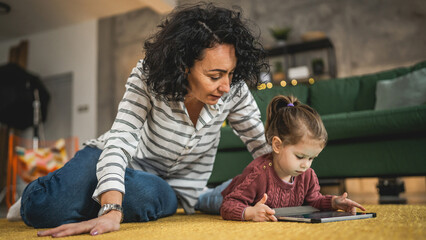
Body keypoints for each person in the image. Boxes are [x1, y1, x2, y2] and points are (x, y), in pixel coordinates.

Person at [7, 3, 271, 237]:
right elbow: (120, 137)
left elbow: (260, 144)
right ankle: (63, 190)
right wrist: (111, 208)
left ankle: (82, 189)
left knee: (145, 194)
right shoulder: (146, 77)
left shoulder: (234, 89)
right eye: (215, 76)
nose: (225, 85)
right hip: (109, 154)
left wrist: (297, 183)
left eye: (231, 73)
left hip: (166, 188)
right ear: (183, 65)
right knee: (46, 207)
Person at [220, 95, 366, 221]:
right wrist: (249, 212)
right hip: (226, 192)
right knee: (200, 200)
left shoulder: (307, 175)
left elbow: (314, 200)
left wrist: (334, 202)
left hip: (243, 186)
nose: (306, 165)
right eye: (300, 156)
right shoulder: (258, 173)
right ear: (277, 145)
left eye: (311, 158)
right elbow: (228, 204)